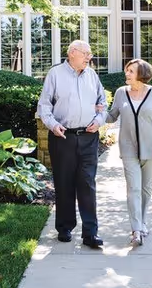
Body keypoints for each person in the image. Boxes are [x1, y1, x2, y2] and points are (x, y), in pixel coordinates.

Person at [37, 40, 108, 248]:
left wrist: (99, 121)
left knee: (87, 184)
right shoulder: (55, 74)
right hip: (63, 137)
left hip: (88, 136)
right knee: (64, 183)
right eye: (86, 53)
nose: (89, 57)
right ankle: (65, 227)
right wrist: (52, 125)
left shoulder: (92, 75)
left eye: (90, 54)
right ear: (72, 53)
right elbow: (44, 105)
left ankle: (90, 233)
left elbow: (103, 103)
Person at [105, 59, 152, 246]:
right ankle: (136, 230)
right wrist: (98, 111)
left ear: (141, 74)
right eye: (127, 70)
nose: (127, 74)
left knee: (146, 190)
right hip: (128, 148)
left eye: (131, 71)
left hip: (151, 147)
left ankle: (142, 221)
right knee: (133, 188)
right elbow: (111, 116)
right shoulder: (120, 93)